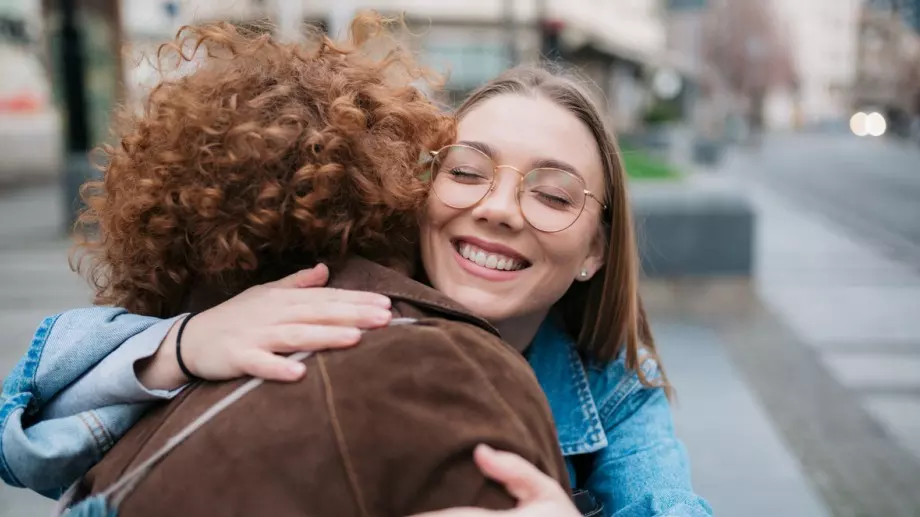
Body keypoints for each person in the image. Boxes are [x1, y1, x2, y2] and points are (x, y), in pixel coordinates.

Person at [0, 12, 712, 517]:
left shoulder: (616, 397)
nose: (499, 207)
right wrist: (182, 344)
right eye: (466, 171)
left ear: (595, 248)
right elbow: (22, 436)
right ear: (418, 187)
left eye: (552, 193)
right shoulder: (313, 289)